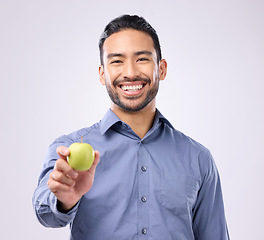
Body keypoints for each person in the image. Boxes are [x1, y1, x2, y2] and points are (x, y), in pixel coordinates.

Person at [33, 14, 230, 239]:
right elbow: (45, 214)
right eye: (117, 61)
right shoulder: (68, 149)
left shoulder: (198, 158)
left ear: (162, 69)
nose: (130, 72)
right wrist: (64, 200)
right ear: (102, 74)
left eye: (142, 59)